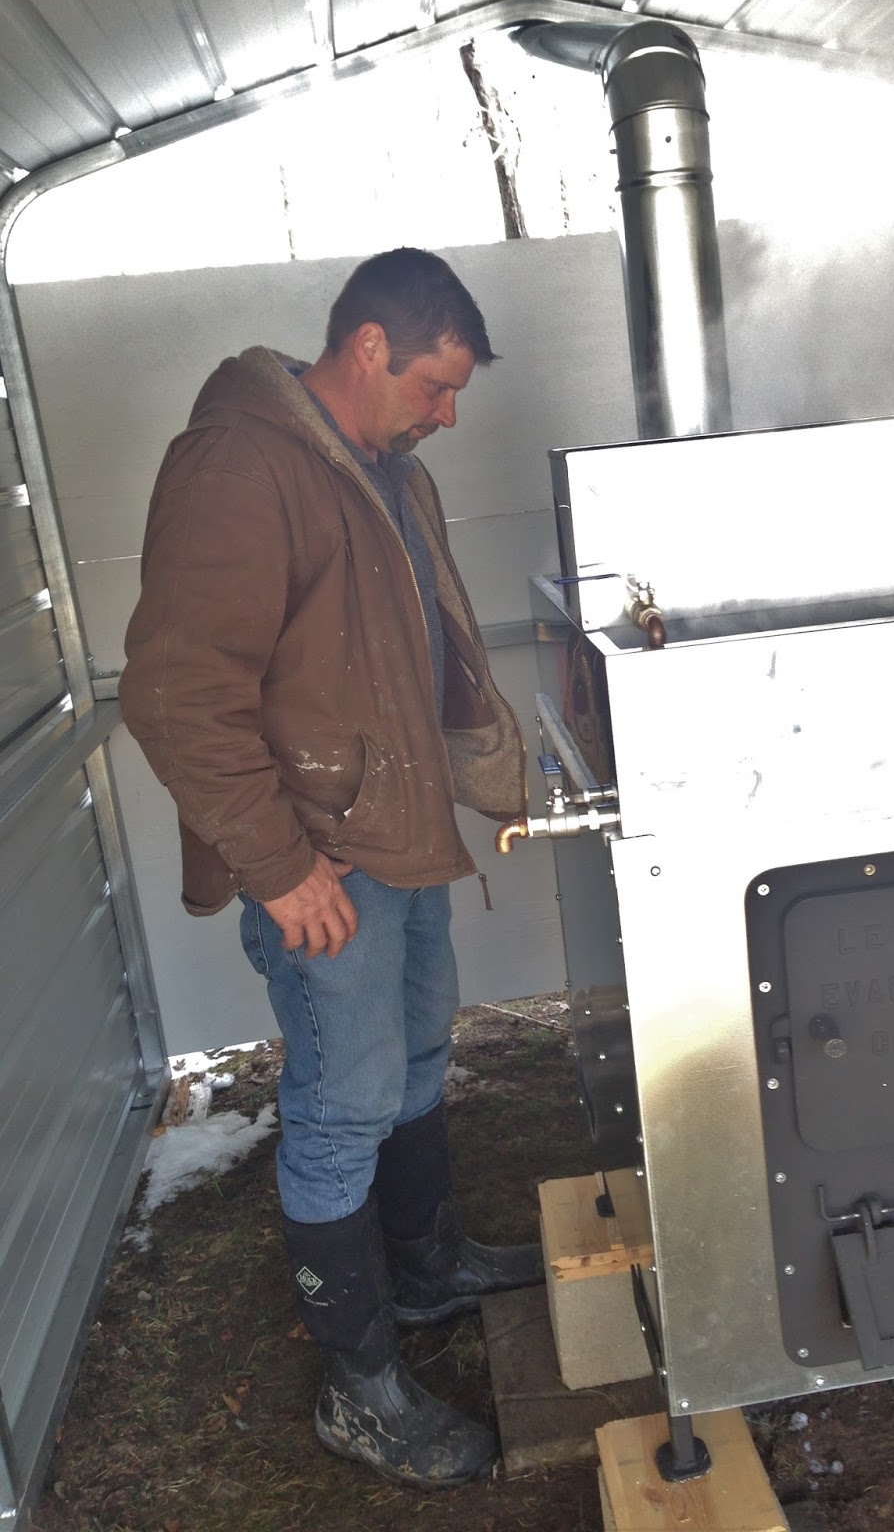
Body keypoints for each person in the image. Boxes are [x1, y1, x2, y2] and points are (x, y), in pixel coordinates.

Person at [120, 248, 541, 1490]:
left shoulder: (390, 471)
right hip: (321, 861)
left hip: (396, 837)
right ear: (367, 348)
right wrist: (278, 866)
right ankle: (360, 1392)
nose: (447, 414)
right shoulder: (240, 466)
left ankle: (427, 1268)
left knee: (415, 1055)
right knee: (343, 1100)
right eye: (434, 385)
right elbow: (175, 692)